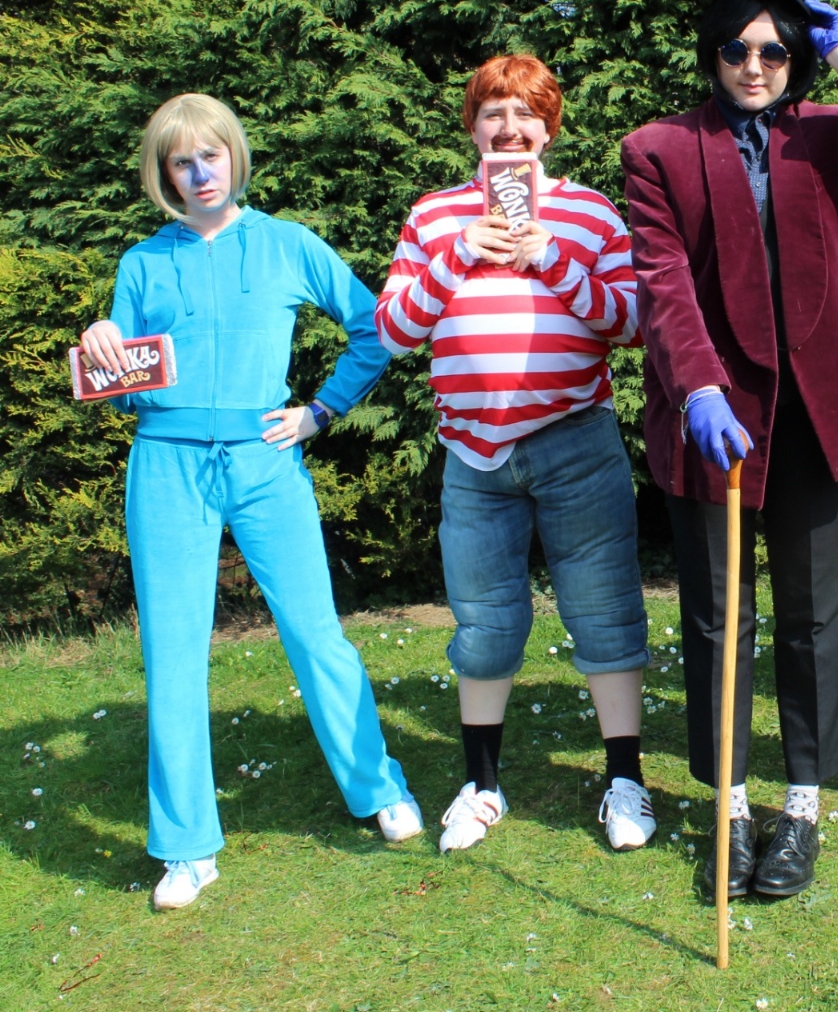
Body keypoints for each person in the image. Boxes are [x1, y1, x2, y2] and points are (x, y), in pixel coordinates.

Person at [623, 0, 838, 899]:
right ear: (712, 51)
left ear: (796, 55)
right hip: (715, 417)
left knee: (810, 616)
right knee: (719, 620)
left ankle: (801, 806)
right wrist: (698, 386)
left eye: (774, 50)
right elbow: (664, 281)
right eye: (737, 49)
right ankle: (729, 805)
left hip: (814, 416)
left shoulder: (830, 132)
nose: (754, 67)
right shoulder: (658, 149)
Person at [77, 93, 422, 911]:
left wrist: (321, 412)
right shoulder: (141, 263)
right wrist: (101, 343)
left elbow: (374, 327)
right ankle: (187, 847)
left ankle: (378, 787)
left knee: (315, 631)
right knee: (172, 651)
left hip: (265, 461)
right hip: (166, 464)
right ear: (164, 174)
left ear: (234, 155)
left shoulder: (288, 244)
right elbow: (121, 380)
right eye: (182, 162)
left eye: (212, 155)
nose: (201, 174)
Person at [377, 55, 655, 855]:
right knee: (484, 623)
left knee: (605, 612)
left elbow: (632, 323)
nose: (509, 127)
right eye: (493, 112)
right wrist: (458, 254)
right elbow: (393, 331)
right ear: (473, 127)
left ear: (548, 128)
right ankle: (482, 786)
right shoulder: (434, 217)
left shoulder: (590, 212)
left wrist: (551, 258)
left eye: (525, 113)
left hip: (576, 442)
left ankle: (625, 781)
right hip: (474, 454)